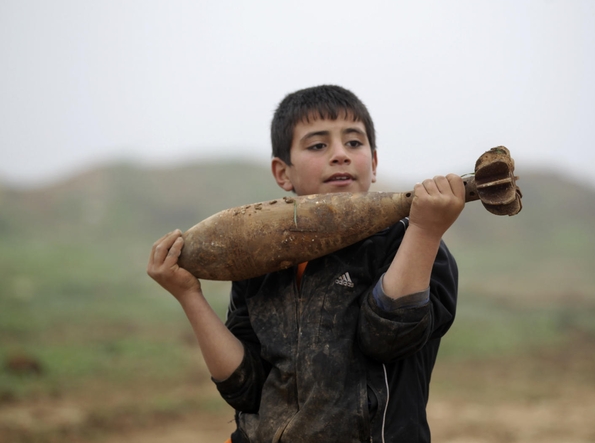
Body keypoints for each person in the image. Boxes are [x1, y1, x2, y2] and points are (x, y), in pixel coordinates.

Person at [147, 85, 465, 442]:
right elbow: (246, 389)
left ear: (373, 163)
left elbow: (387, 339)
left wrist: (424, 231)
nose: (340, 155)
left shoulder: (411, 244)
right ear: (283, 173)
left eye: (354, 143)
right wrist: (189, 295)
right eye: (318, 145)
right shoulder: (259, 258)